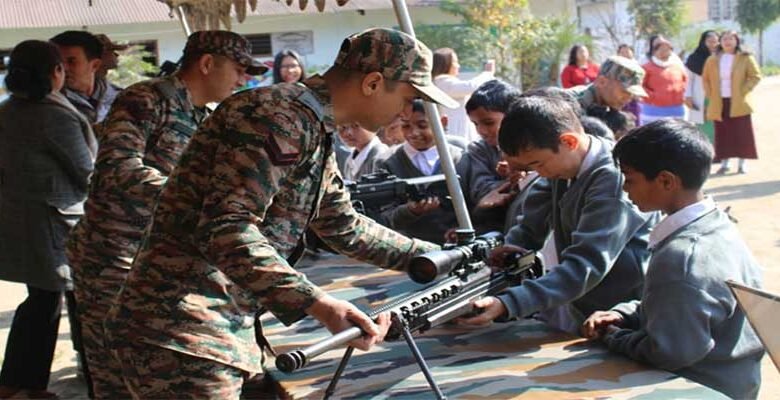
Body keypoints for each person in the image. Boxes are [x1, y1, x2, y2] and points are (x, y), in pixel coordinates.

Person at [103, 28, 456, 399]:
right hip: (181, 329)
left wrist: (435, 257)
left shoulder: (310, 123)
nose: (405, 112)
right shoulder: (278, 117)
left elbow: (341, 223)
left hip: (208, 328)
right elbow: (227, 228)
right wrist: (317, 303)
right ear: (372, 82)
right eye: (407, 98)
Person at [65, 30, 268, 399]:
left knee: (158, 373)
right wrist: (189, 195)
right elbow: (117, 165)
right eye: (239, 69)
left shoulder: (204, 116)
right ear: (207, 63)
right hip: (113, 258)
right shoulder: (146, 99)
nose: (244, 80)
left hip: (156, 262)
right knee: (116, 376)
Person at [582, 119, 764, 399]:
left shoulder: (681, 257)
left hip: (701, 387)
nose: (625, 190)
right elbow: (685, 306)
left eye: (630, 179)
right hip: (736, 380)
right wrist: (627, 314)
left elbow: (669, 351)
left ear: (666, 180)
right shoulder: (717, 224)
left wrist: (614, 337)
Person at [459, 96, 656, 334]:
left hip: (621, 314)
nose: (539, 173)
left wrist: (510, 302)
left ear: (569, 141)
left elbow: (586, 264)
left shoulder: (612, 181)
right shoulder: (561, 168)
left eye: (538, 164)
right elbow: (531, 227)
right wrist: (510, 249)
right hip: (581, 304)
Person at [0, 40, 94, 400]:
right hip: (54, 223)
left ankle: (24, 383)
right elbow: (86, 173)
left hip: (24, 217)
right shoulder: (51, 115)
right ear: (56, 72)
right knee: (52, 301)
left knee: (44, 300)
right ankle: (21, 383)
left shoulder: (8, 109)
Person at [376, 99, 462, 244]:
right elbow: (384, 216)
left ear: (442, 122)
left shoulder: (460, 157)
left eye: (422, 125)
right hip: (409, 248)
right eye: (406, 126)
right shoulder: (387, 162)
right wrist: (410, 210)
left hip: (456, 245)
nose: (414, 133)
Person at [458, 79, 524, 234]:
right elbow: (480, 191)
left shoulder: (532, 146)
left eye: (488, 123)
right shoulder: (478, 150)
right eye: (475, 124)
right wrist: (512, 181)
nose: (481, 130)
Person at [702, 30, 761, 175]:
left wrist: (743, 90)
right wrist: (711, 95)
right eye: (724, 39)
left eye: (731, 39)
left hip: (739, 102)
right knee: (723, 134)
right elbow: (705, 79)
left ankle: (742, 164)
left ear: (737, 41)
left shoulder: (745, 57)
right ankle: (724, 163)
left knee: (742, 133)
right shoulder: (712, 59)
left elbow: (755, 76)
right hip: (720, 102)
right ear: (720, 42)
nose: (727, 42)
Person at [50, 31, 115, 124]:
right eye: (57, 61)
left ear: (95, 65)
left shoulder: (122, 99)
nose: (63, 68)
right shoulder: (48, 103)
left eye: (71, 61)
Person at [432, 47, 494, 142]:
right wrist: (487, 73)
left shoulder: (444, 82)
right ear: (446, 64)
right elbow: (471, 86)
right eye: (455, 62)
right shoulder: (442, 82)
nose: (458, 66)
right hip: (454, 133)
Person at [566, 56, 648, 115]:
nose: (628, 98)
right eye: (625, 91)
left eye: (632, 94)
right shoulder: (570, 104)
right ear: (602, 82)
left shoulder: (610, 105)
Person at [639, 36, 688, 125]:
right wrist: (653, 97)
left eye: (667, 50)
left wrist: (681, 96)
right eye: (661, 49)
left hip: (676, 110)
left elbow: (684, 82)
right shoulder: (646, 67)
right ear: (654, 51)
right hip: (653, 111)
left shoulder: (677, 67)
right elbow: (640, 86)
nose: (664, 52)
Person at [684, 30, 719, 142]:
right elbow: (688, 80)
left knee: (719, 125)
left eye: (715, 42)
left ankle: (720, 154)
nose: (713, 45)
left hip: (719, 96)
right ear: (703, 42)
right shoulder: (694, 59)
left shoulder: (723, 57)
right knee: (703, 125)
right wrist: (688, 96)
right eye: (709, 42)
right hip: (701, 96)